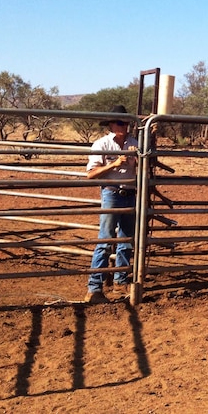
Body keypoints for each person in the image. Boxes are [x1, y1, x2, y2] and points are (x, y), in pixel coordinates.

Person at [84, 104, 139, 304]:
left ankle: (120, 282)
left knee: (125, 241)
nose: (122, 125)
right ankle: (94, 287)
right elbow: (90, 174)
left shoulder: (135, 143)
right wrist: (114, 164)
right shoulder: (102, 144)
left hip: (131, 193)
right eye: (119, 122)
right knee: (106, 240)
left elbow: (146, 172)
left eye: (125, 122)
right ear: (110, 124)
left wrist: (138, 161)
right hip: (112, 193)